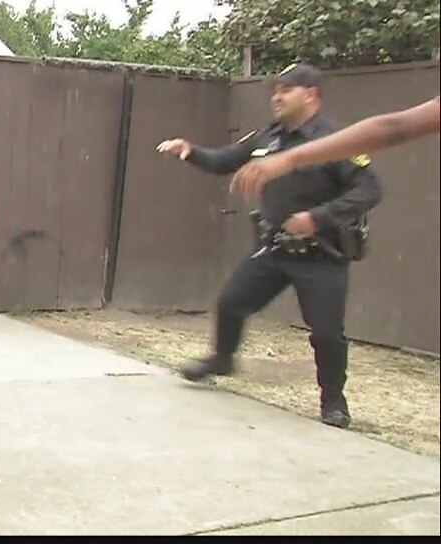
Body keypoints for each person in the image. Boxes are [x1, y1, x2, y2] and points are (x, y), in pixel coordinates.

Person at [156, 63, 382, 429]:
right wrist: (190, 151)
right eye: (274, 90)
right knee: (231, 303)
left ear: (310, 94)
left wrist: (317, 218)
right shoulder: (267, 137)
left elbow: (370, 189)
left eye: (285, 90)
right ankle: (222, 358)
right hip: (275, 248)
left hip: (322, 254)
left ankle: (333, 401)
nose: (276, 97)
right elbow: (226, 160)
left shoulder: (334, 141)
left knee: (326, 333)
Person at [231, 95, 440, 197]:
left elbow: (391, 128)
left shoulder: (325, 129)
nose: (277, 98)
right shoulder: (271, 132)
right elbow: (392, 127)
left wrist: (290, 159)